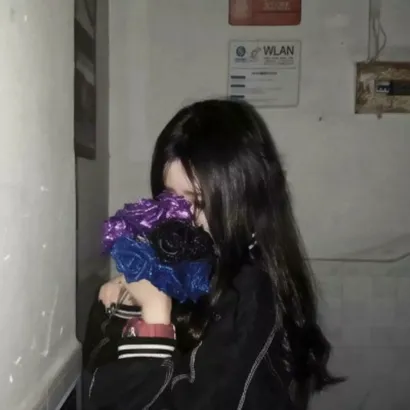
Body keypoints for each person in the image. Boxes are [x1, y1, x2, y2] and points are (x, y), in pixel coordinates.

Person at [89, 99, 342, 410]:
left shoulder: (253, 293)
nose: (181, 217)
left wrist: (155, 316)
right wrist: (130, 305)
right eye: (170, 199)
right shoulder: (201, 266)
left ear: (243, 199)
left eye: (199, 201)